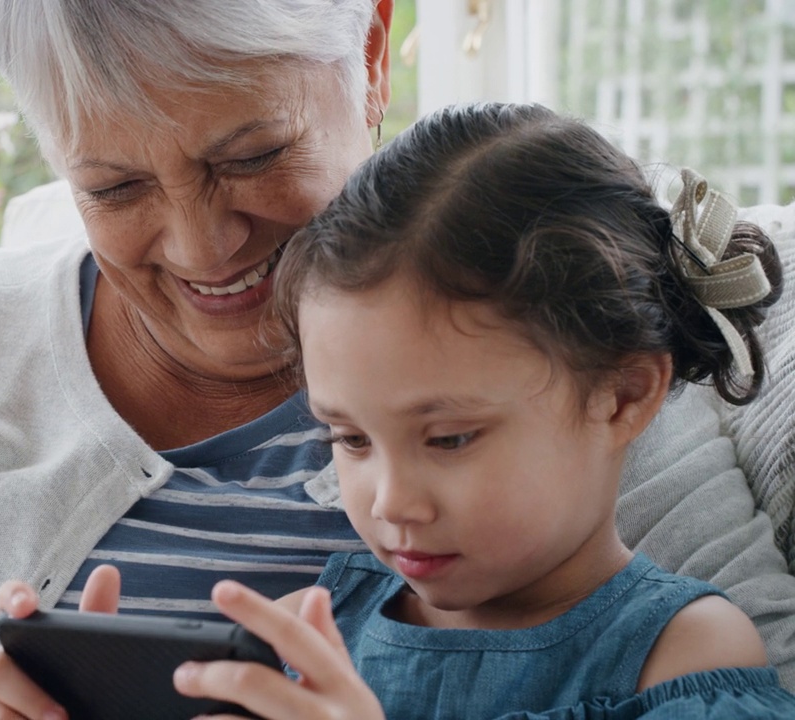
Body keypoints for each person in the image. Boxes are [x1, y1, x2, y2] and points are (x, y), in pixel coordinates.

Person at [0, 3, 795, 719]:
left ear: (368, 48)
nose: (200, 244)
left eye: (249, 156)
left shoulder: (568, 365)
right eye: (114, 183)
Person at [167, 102, 795, 718]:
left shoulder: (686, 654)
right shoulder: (311, 632)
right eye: (351, 439)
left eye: (448, 440)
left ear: (623, 396)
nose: (391, 503)